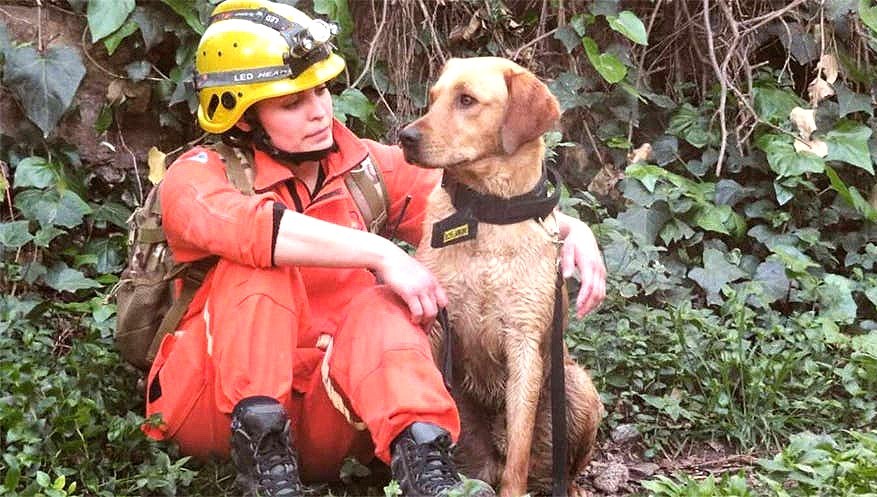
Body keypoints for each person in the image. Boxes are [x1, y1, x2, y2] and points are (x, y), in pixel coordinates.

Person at [141, 1, 607, 496]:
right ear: (243, 116)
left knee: (384, 304)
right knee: (258, 269)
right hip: (212, 407)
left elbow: (478, 203)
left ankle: (427, 469)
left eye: (321, 90)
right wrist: (382, 253)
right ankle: (265, 467)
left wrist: (568, 225)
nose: (319, 111)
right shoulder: (196, 176)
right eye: (292, 103)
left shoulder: (361, 167)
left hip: (335, 411)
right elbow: (252, 229)